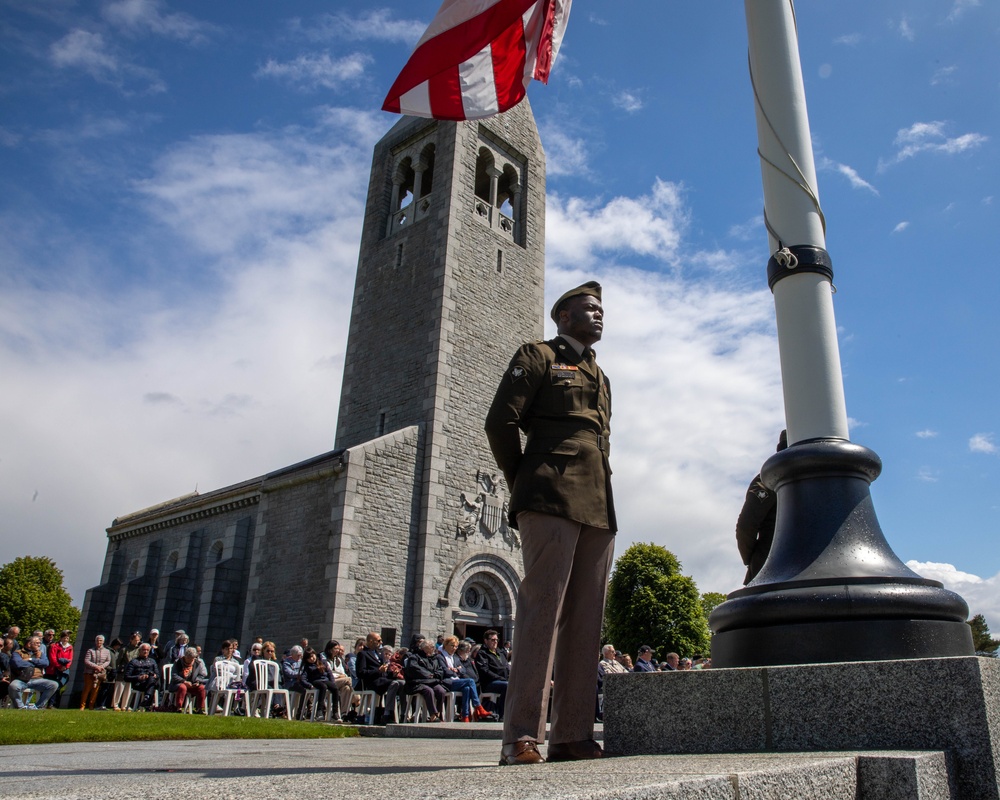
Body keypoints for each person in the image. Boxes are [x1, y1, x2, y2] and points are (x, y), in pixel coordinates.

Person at [485, 280, 616, 766]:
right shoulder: (539, 355)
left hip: (598, 499)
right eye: (589, 307)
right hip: (549, 490)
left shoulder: (600, 376)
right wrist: (524, 479)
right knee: (542, 607)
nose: (599, 315)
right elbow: (501, 421)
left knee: (586, 618)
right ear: (563, 316)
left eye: (602, 309)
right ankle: (521, 735)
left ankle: (572, 734)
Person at [736, 429, 787, 583]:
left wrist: (751, 559)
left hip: (769, 567)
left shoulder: (769, 477)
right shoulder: (822, 478)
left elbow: (746, 525)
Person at [355, 632, 404, 725]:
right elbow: (361, 673)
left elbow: (384, 671)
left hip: (382, 680)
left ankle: (403, 713)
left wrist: (392, 674)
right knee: (394, 684)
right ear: (370, 641)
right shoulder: (363, 654)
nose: (381, 642)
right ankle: (387, 714)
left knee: (402, 683)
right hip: (371, 682)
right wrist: (378, 671)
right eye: (378, 640)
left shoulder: (378, 654)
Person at [437, 635, 489, 722]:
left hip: (457, 681)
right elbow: (444, 671)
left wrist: (456, 670)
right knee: (470, 681)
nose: (454, 648)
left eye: (456, 646)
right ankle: (478, 706)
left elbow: (463, 670)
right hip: (447, 682)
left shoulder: (455, 657)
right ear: (446, 645)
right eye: (452, 646)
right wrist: (456, 670)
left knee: (467, 688)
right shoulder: (440, 657)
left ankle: (465, 716)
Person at [8, 636, 60, 709]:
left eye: (40, 643)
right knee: (13, 686)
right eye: (37, 643)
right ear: (29, 644)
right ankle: (20, 707)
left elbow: (45, 663)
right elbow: (17, 664)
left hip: (38, 680)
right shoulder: (18, 653)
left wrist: (30, 659)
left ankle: (37, 706)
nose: (39, 645)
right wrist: (36, 663)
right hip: (22, 679)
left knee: (54, 684)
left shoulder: (40, 654)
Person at [404, 639, 448, 722]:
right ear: (424, 648)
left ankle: (438, 713)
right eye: (431, 647)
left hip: (432, 681)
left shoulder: (434, 658)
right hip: (417, 683)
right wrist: (428, 675)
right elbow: (415, 669)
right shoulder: (415, 657)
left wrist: (434, 675)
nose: (433, 648)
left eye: (433, 647)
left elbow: (440, 670)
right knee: (429, 691)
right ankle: (432, 715)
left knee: (441, 690)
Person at [474, 630, 509, 718]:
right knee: (507, 686)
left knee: (516, 684)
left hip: (503, 680)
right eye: (492, 640)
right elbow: (485, 671)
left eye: (496, 640)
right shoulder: (482, 654)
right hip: (490, 683)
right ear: (486, 641)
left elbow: (506, 668)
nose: (495, 642)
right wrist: (500, 678)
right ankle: (502, 714)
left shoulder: (501, 653)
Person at [321, 640, 354, 723]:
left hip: (340, 681)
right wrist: (339, 676)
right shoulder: (323, 657)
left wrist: (341, 676)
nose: (338, 651)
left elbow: (342, 672)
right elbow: (326, 672)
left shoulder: (338, 660)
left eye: (339, 649)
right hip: (328, 681)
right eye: (336, 648)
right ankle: (356, 697)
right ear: (330, 648)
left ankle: (343, 713)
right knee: (349, 680)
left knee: (346, 688)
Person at [170, 647, 208, 712]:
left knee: (202, 688)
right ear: (185, 656)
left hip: (193, 683)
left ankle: (200, 709)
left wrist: (197, 681)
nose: (190, 660)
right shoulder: (178, 662)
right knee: (183, 687)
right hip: (179, 684)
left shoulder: (198, 663)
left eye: (192, 659)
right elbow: (174, 675)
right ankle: (178, 708)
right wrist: (184, 681)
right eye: (188, 658)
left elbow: (203, 674)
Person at [80, 635, 112, 709]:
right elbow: (86, 661)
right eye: (97, 640)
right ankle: (82, 706)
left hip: (99, 674)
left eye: (100, 640)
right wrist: (95, 666)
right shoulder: (90, 650)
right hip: (89, 673)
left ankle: (91, 706)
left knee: (95, 690)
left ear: (103, 641)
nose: (99, 642)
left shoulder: (107, 651)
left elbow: (108, 661)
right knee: (87, 689)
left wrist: (101, 667)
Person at [124, 643, 159, 709]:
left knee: (151, 678)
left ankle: (146, 698)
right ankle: (147, 700)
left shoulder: (152, 661)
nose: (145, 651)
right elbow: (126, 677)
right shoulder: (133, 662)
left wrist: (155, 676)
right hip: (139, 684)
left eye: (147, 650)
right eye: (143, 650)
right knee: (152, 682)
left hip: (151, 683)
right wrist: (139, 677)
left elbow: (158, 675)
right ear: (139, 651)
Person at [44, 629, 74, 706]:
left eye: (67, 638)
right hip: (54, 669)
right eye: (64, 638)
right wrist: (59, 666)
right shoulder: (55, 646)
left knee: (59, 686)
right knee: (51, 686)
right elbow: (52, 658)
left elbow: (70, 658)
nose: (65, 639)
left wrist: (66, 667)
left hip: (63, 669)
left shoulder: (70, 647)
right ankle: (46, 703)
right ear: (61, 638)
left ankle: (54, 703)